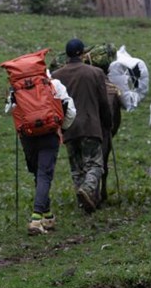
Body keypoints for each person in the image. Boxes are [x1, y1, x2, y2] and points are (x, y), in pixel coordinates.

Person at [51, 38, 112, 213]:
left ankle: (84, 202)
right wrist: (107, 123)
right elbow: (103, 102)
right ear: (83, 53)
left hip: (68, 128)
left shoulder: (56, 76)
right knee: (95, 165)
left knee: (76, 168)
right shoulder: (95, 73)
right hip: (90, 126)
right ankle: (87, 190)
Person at [14, 73, 75, 235]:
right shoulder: (55, 84)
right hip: (49, 134)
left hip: (28, 136)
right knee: (44, 175)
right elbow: (70, 109)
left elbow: (10, 109)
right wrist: (62, 128)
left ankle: (47, 215)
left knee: (38, 174)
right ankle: (36, 218)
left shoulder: (17, 87)